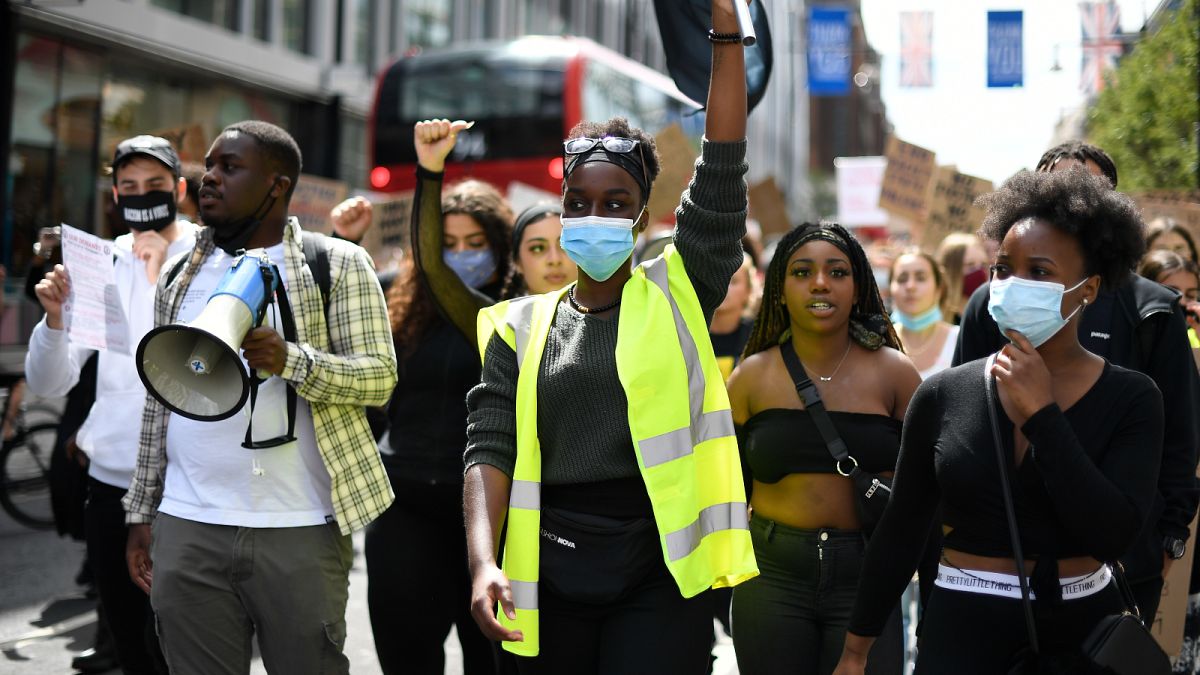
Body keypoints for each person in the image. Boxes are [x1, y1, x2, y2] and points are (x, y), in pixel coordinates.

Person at [463, 3, 758, 670]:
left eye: (615, 203)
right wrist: (483, 562)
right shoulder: (518, 326)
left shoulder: (680, 291)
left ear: (643, 216)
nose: (594, 216)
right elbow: (489, 445)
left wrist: (726, 35)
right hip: (548, 566)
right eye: (578, 202)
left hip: (660, 572)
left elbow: (723, 163)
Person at [836, 168, 1164, 675]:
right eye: (1005, 269)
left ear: (1089, 288)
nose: (1013, 286)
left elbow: (1114, 534)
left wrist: (1043, 418)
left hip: (1079, 637)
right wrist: (856, 651)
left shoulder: (1133, 397)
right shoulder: (944, 393)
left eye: (1039, 271)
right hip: (961, 632)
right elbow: (902, 530)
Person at [121, 121, 396, 675]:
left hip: (299, 524)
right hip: (188, 522)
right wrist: (142, 510)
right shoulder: (180, 271)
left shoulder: (337, 264)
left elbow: (379, 377)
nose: (209, 178)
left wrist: (290, 360)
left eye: (230, 167)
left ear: (277, 184)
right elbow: (161, 400)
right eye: (210, 166)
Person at [953, 143, 1200, 624]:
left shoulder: (1152, 310)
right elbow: (965, 418)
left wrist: (1166, 537)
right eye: (1051, 188)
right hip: (1005, 558)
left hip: (1122, 557)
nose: (1064, 203)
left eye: (1080, 191)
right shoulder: (990, 302)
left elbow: (1180, 435)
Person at [24, 135, 197, 675]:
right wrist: (53, 322)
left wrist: (157, 279)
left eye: (155, 186)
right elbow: (51, 383)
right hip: (112, 483)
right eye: (128, 187)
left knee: (184, 642)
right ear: (114, 196)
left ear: (181, 189)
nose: (141, 196)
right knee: (128, 639)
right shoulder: (100, 262)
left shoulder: (211, 255)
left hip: (189, 484)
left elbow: (195, 365)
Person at [727, 222, 917, 675]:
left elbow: (923, 493)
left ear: (859, 287)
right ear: (778, 289)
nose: (819, 283)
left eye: (837, 272)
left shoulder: (896, 374)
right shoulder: (750, 377)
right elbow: (726, 491)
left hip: (869, 577)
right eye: (802, 272)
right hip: (772, 577)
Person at [367, 119, 515, 675]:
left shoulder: (511, 318)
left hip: (488, 518)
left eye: (476, 245)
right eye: (447, 244)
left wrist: (430, 170)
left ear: (501, 249)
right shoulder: (400, 311)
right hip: (405, 508)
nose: (459, 256)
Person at [890, 249, 958, 379]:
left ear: (939, 289)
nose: (910, 286)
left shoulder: (960, 340)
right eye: (902, 279)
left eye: (921, 278)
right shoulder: (879, 342)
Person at [506, 203, 577, 296]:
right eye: (538, 248)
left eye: (565, 245)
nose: (555, 260)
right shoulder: (496, 311)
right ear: (517, 261)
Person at [711, 252, 758, 382]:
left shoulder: (759, 336)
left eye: (733, 281)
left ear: (749, 290)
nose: (723, 286)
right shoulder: (688, 333)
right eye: (717, 278)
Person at [934, 233, 989, 324]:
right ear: (950, 270)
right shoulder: (932, 316)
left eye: (983, 265)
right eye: (970, 265)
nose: (980, 272)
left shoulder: (989, 317)